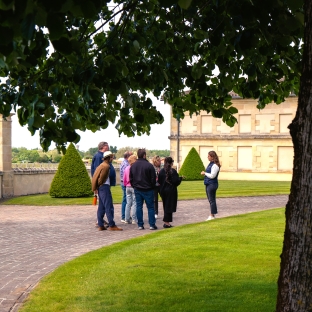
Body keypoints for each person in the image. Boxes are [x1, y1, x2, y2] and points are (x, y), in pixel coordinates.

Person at [92, 151, 123, 231]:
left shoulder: (102, 165)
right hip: (104, 187)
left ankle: (101, 225)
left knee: (101, 207)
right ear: (109, 158)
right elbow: (101, 178)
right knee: (108, 206)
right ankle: (112, 225)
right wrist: (101, 184)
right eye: (112, 157)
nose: (112, 158)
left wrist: (97, 187)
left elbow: (95, 177)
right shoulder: (106, 166)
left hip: (101, 188)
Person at [130, 148, 157, 230]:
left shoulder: (133, 166)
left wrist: (134, 186)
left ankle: (140, 224)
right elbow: (153, 178)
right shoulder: (149, 165)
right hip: (148, 188)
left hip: (138, 188)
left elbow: (131, 178)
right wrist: (152, 186)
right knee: (151, 207)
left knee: (139, 206)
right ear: (144, 155)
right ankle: (152, 224)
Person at [158, 157, 184, 228]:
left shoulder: (161, 171)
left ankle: (167, 222)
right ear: (171, 162)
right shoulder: (173, 171)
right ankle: (166, 222)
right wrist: (180, 179)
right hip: (170, 190)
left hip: (163, 190)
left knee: (165, 205)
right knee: (169, 206)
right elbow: (176, 181)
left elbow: (159, 181)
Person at [200, 151, 221, 221]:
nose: (207, 157)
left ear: (212, 157)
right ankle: (213, 214)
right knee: (211, 200)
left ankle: (212, 215)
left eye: (208, 156)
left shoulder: (215, 165)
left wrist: (205, 173)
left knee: (211, 200)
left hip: (212, 184)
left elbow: (212, 176)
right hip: (209, 183)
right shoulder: (211, 164)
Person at [123, 155, 138, 224]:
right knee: (135, 202)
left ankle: (126, 218)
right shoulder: (135, 168)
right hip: (133, 186)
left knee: (128, 203)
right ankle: (134, 219)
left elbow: (124, 179)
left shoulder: (126, 168)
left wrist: (126, 184)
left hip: (127, 187)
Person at [120, 151, 132, 223]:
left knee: (127, 200)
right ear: (128, 157)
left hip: (124, 183)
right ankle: (124, 216)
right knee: (126, 200)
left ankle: (126, 215)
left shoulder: (124, 163)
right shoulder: (126, 164)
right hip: (125, 183)